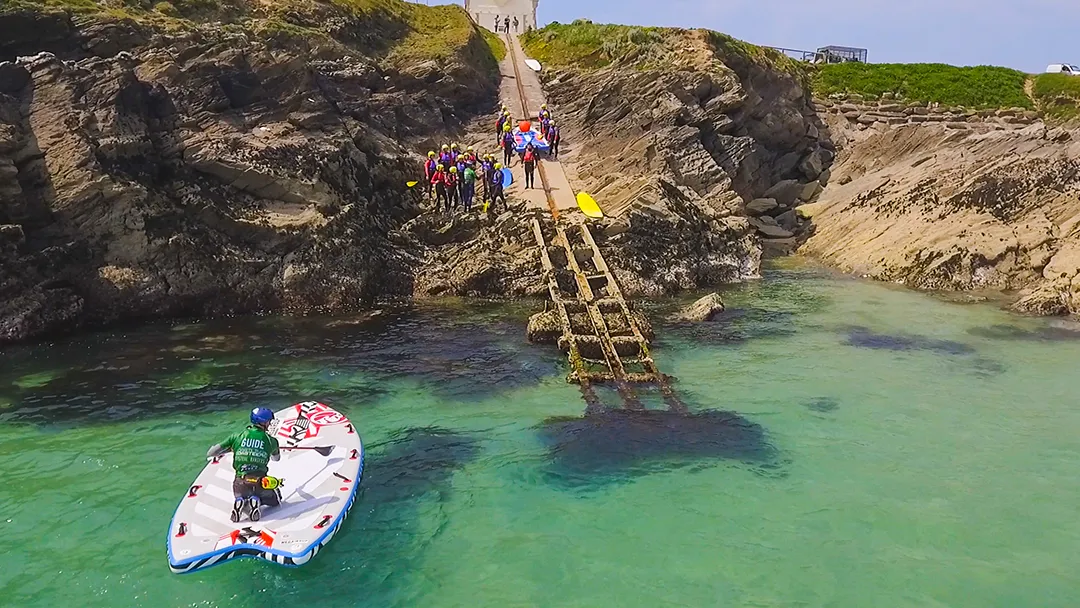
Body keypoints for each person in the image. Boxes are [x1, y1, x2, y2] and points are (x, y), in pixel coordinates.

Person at [206, 407, 281, 523]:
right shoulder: (271, 441)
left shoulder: (235, 437)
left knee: (242, 494)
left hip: (239, 483)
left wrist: (232, 449)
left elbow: (211, 453)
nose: (270, 424)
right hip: (260, 482)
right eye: (269, 421)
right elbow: (276, 459)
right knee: (275, 500)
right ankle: (256, 499)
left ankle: (241, 500)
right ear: (264, 422)